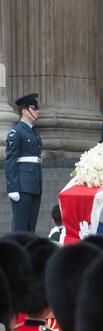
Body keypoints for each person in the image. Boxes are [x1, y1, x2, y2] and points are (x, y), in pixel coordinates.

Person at [5, 93, 43, 232]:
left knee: (30, 227)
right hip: (22, 185)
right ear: (25, 111)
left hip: (34, 183)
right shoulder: (16, 132)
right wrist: (12, 188)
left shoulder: (34, 132)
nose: (37, 111)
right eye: (34, 108)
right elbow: (10, 161)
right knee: (20, 227)